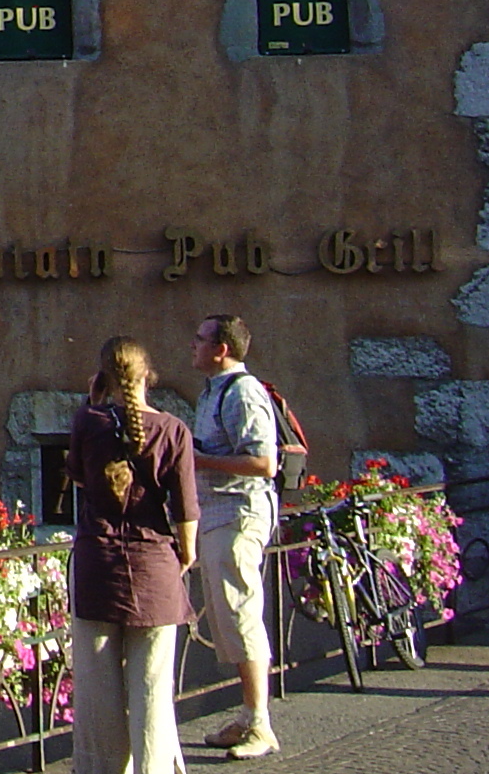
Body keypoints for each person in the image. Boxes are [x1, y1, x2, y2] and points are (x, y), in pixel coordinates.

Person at [69, 335, 199, 774]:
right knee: (152, 690)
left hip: (97, 563)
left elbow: (78, 477)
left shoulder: (88, 421)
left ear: (103, 378)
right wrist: (186, 555)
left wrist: (94, 401)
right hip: (154, 565)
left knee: (96, 688)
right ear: (149, 377)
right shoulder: (173, 430)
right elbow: (185, 509)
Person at [190, 315, 281, 758]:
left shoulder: (243, 392)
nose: (193, 345)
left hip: (239, 514)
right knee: (229, 616)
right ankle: (248, 715)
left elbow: (265, 463)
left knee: (242, 612)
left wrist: (201, 461)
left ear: (221, 348)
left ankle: (260, 724)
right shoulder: (213, 392)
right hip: (217, 515)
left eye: (201, 339)